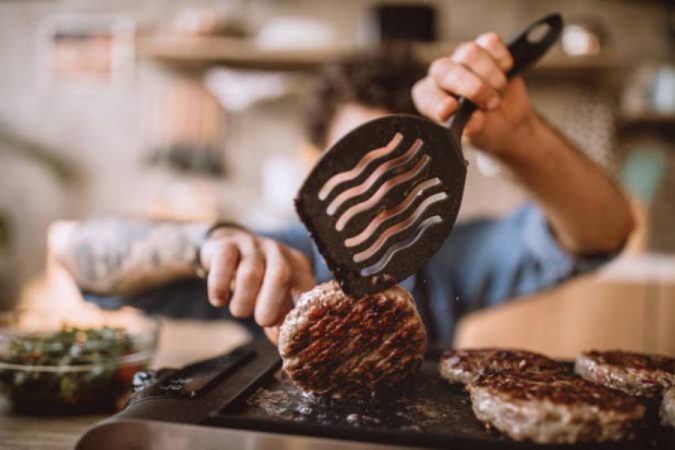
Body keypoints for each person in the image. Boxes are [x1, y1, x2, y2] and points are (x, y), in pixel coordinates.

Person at [56, 33, 634, 345]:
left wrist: (523, 138)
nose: (379, 190)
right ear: (316, 163)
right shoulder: (277, 257)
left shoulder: (448, 261)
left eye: (402, 166)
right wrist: (205, 243)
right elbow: (77, 252)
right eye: (357, 161)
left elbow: (604, 232)